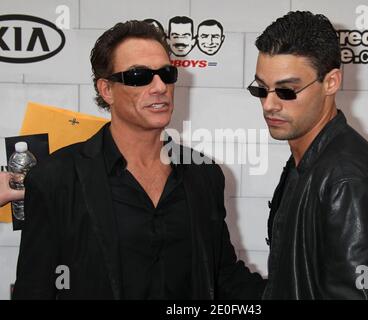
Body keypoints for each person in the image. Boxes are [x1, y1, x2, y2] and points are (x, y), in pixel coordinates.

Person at [13, 20, 265, 300]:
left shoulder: (203, 175)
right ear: (106, 90)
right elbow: (34, 288)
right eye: (138, 76)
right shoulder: (56, 177)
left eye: (166, 73)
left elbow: (222, 275)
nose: (159, 87)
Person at [247, 11, 368, 299]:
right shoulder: (307, 161)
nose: (268, 105)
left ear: (331, 82)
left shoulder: (347, 183)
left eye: (286, 91)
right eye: (261, 88)